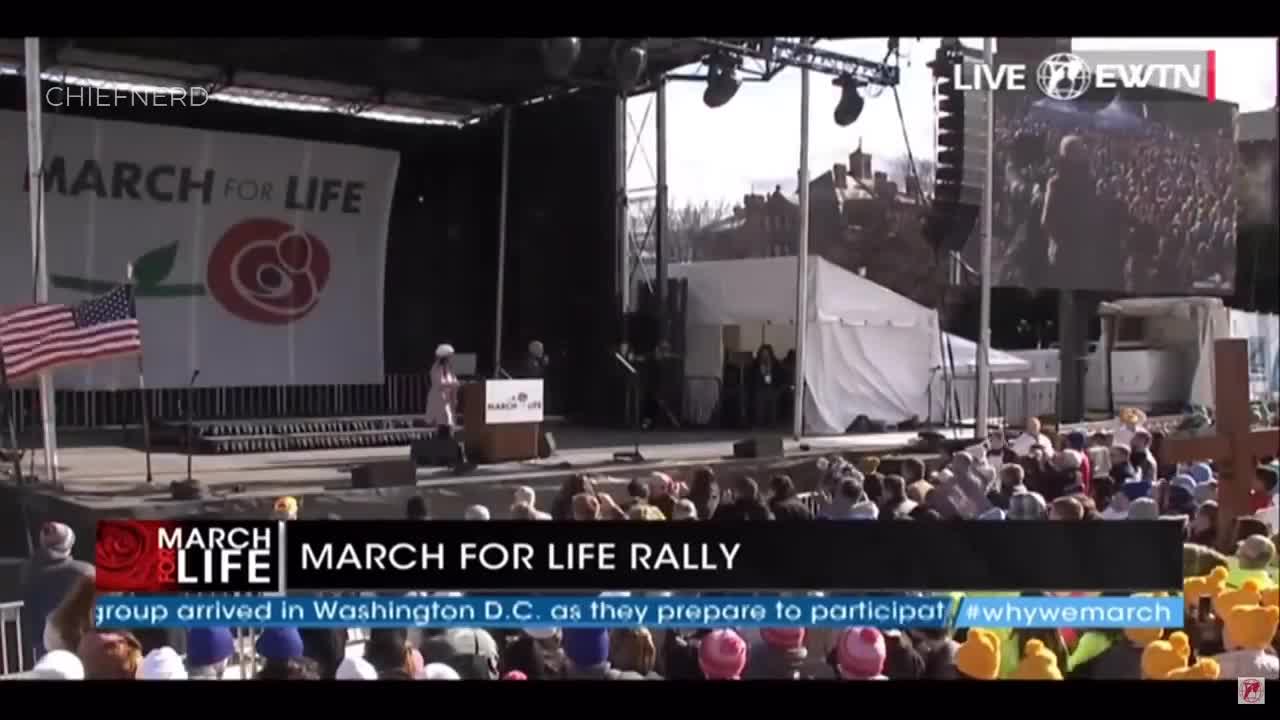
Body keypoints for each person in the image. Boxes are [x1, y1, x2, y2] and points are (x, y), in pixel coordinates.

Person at [19, 521, 94, 662]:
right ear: (68, 544)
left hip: (41, 641)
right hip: (78, 641)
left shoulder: (28, 570)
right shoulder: (85, 571)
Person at [425, 343, 462, 436]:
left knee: (449, 424)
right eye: (450, 356)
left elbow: (454, 381)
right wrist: (454, 384)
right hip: (438, 400)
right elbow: (439, 383)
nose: (452, 358)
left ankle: (448, 443)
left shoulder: (450, 369)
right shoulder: (436, 368)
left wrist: (457, 387)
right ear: (445, 357)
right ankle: (442, 444)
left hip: (448, 401)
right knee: (443, 424)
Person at [750, 344, 782, 428]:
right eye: (763, 353)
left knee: (772, 397)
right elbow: (751, 377)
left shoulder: (775, 364)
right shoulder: (755, 364)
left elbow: (780, 377)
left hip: (772, 386)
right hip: (759, 387)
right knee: (760, 397)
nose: (765, 355)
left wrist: (769, 373)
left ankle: (772, 422)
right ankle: (759, 422)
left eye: (766, 353)